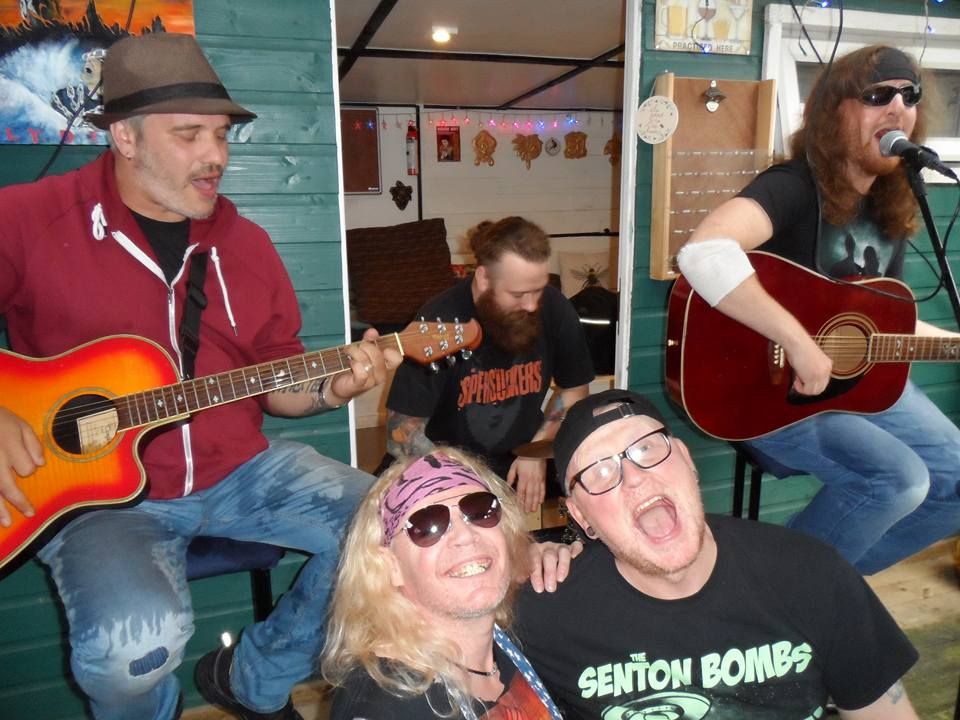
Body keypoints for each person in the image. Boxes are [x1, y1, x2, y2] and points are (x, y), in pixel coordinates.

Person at [0, 33, 401, 720]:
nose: (215, 155)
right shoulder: (27, 219)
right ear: (124, 137)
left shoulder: (247, 247)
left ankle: (253, 678)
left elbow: (278, 384)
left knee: (397, 528)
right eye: (188, 135)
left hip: (241, 469)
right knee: (133, 654)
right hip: (96, 497)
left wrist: (333, 388)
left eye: (220, 134)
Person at [678, 44, 960, 574]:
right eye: (877, 96)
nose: (897, 107)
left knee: (957, 478)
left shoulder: (890, 202)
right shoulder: (793, 186)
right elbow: (703, 252)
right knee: (899, 479)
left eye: (910, 95)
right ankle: (785, 590)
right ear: (834, 113)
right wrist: (797, 340)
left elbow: (885, 324)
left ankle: (824, 582)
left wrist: (952, 345)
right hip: (769, 389)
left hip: (854, 382)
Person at [514, 389, 920, 719]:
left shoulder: (812, 574)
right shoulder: (545, 614)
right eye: (600, 472)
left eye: (647, 448)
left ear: (687, 460)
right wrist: (519, 561)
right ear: (582, 517)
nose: (634, 477)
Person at [321, 448, 563, 719]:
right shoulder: (384, 706)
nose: (466, 535)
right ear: (391, 566)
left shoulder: (515, 641)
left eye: (480, 510)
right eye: (428, 526)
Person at [384, 217, 594, 512]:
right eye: (518, 295)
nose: (532, 305)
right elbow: (400, 435)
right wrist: (463, 481)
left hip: (523, 456)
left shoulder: (555, 306)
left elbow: (574, 390)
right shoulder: (437, 323)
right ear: (483, 279)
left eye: (538, 290)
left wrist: (536, 451)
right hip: (443, 466)